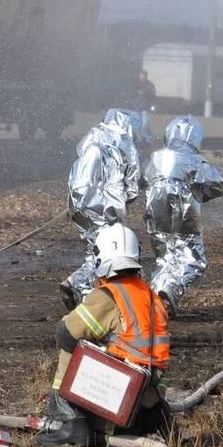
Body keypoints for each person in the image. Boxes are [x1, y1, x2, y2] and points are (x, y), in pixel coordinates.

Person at [35, 223, 171, 447]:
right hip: (147, 400)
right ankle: (156, 419)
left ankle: (71, 421)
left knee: (72, 345)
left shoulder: (110, 295)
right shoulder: (149, 295)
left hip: (120, 399)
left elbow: (66, 333)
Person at [61, 109, 146, 307]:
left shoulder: (91, 136)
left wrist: (75, 203)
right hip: (107, 211)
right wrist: (123, 201)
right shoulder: (127, 145)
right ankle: (87, 301)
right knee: (108, 254)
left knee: (95, 249)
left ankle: (76, 282)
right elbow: (132, 188)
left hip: (80, 205)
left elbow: (77, 172)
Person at [142, 116, 223, 317]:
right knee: (193, 259)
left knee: (165, 258)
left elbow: (142, 180)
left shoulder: (155, 157)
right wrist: (200, 194)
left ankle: (153, 302)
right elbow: (219, 184)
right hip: (184, 210)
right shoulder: (194, 160)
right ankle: (169, 290)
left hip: (155, 211)